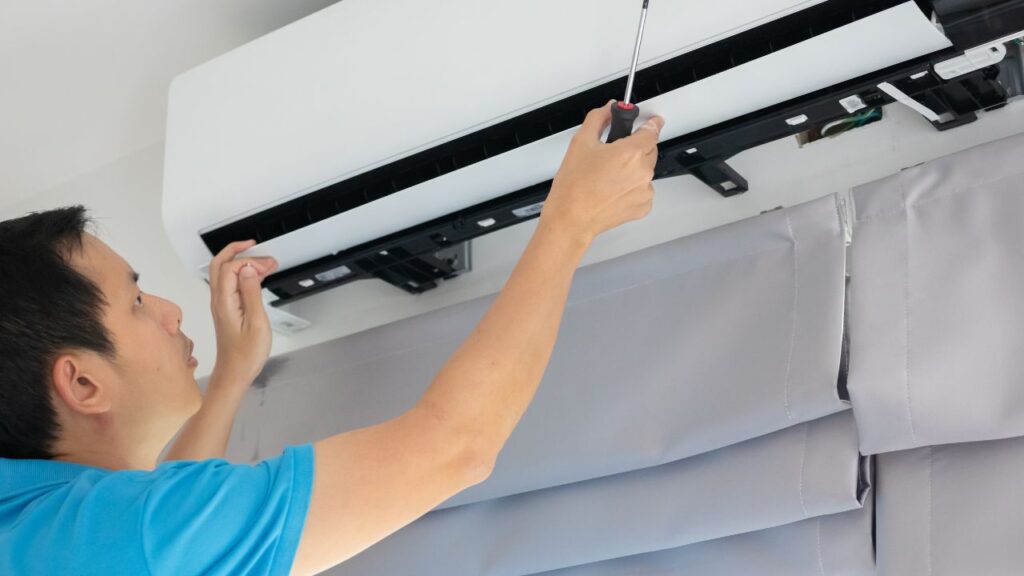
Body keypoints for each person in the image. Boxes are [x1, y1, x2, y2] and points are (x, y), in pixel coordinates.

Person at [0, 102, 663, 575]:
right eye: (138, 301)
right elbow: (452, 447)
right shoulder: (109, 541)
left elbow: (162, 524)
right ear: (82, 383)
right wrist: (571, 221)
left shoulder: (51, 531)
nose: (172, 309)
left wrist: (230, 379)